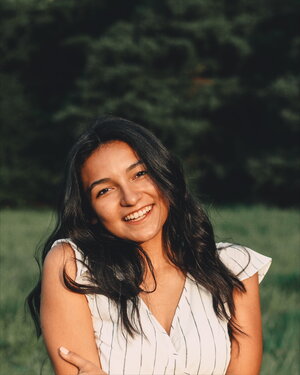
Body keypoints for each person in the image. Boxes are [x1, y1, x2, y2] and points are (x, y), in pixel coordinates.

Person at [27, 116, 272, 375]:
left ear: (163, 175)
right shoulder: (72, 266)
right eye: (105, 191)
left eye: (140, 174)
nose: (130, 198)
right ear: (89, 211)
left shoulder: (234, 268)